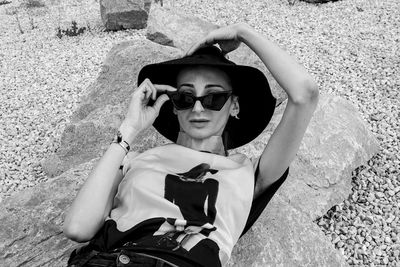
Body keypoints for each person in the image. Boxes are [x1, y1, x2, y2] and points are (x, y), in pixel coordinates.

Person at [63, 23, 319, 267]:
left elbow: (305, 94)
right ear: (173, 106)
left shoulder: (250, 173)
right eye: (185, 97)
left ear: (235, 106)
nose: (197, 107)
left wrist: (243, 32)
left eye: (214, 97)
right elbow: (78, 227)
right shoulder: (134, 160)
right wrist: (129, 129)